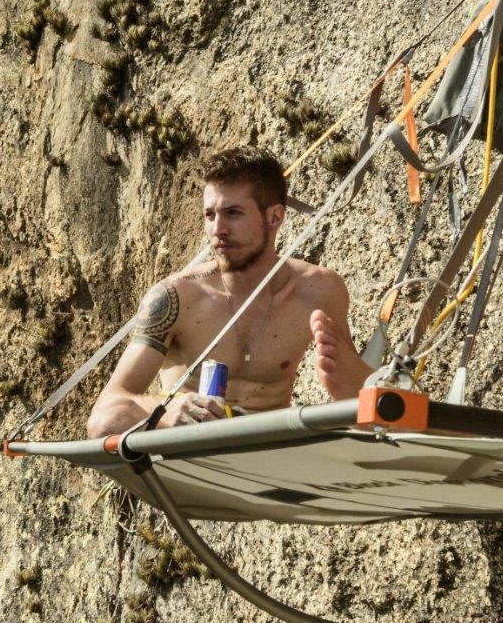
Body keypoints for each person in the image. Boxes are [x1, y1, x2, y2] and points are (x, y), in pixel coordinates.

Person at [86, 146, 367, 434]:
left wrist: (364, 384)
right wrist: (163, 413)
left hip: (266, 452)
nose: (217, 229)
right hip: (187, 452)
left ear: (275, 217)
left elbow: (358, 392)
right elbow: (102, 417)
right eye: (210, 215)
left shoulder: (319, 292)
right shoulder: (176, 297)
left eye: (233, 213)